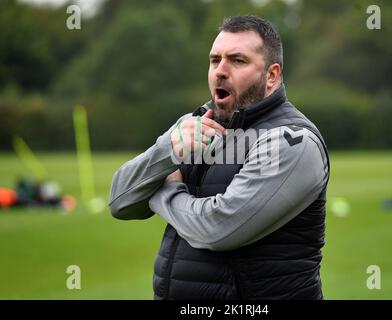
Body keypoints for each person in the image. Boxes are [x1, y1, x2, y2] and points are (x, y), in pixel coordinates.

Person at [109, 15, 330, 300]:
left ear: (271, 76)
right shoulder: (194, 124)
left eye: (237, 60)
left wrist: (166, 189)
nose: (220, 71)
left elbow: (217, 229)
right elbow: (120, 202)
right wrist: (166, 152)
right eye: (215, 60)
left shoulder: (292, 142)